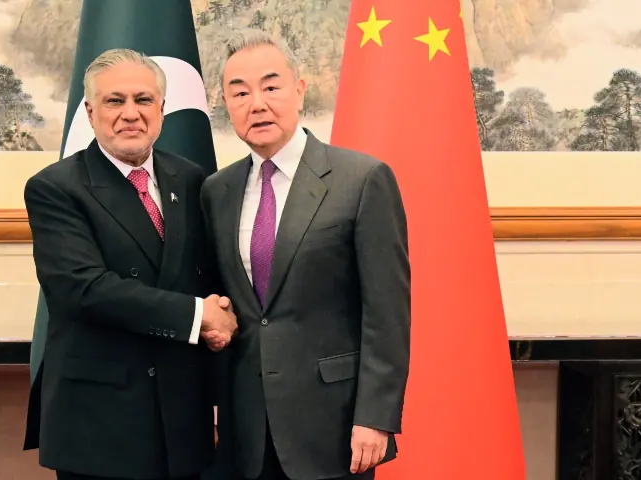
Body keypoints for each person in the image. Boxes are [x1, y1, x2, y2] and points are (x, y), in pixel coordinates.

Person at [200, 29, 411, 480]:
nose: (257, 104)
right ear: (226, 104)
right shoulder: (217, 191)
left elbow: (387, 312)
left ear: (299, 90)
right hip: (244, 430)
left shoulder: (362, 179)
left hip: (333, 425)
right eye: (240, 92)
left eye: (271, 87)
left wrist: (375, 417)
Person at [22, 48, 237, 480]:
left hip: (181, 419)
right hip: (100, 424)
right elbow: (83, 290)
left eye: (143, 99)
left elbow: (208, 276)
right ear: (90, 111)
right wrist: (199, 316)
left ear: (162, 109)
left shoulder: (192, 180)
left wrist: (222, 320)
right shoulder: (56, 188)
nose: (130, 113)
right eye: (114, 100)